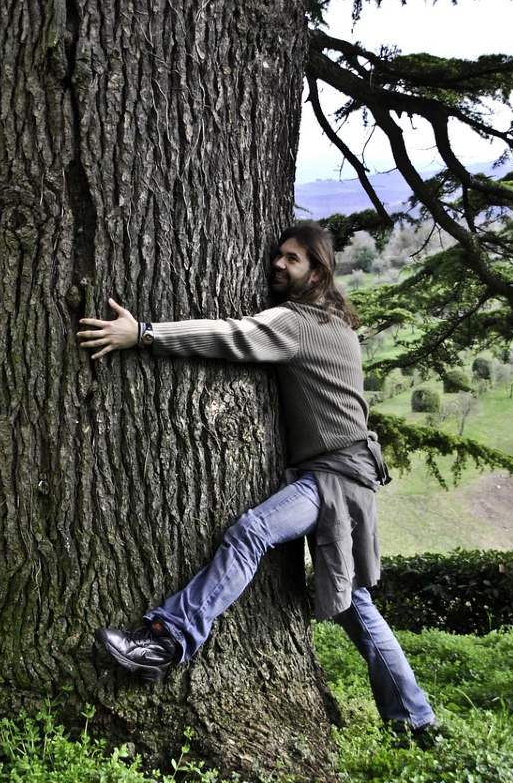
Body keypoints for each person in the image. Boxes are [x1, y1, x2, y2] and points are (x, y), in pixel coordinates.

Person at [76, 222, 437, 736]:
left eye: (292, 259)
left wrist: (145, 334)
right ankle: (416, 721)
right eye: (279, 256)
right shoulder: (337, 324)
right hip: (349, 473)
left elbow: (237, 335)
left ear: (318, 269)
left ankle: (168, 640)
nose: (278, 264)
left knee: (253, 531)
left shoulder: (299, 323)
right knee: (356, 604)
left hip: (334, 478)